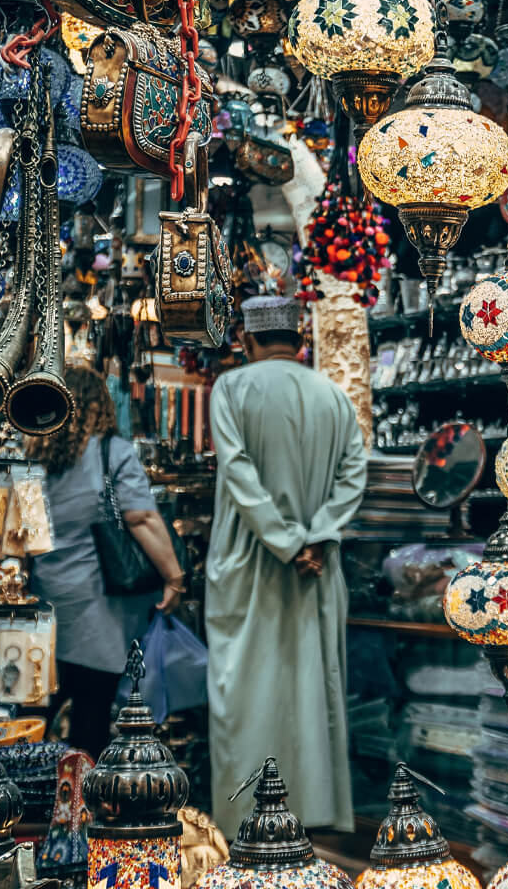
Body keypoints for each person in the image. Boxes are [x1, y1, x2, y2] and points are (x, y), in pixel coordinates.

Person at [206, 295, 368, 835]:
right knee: (309, 691)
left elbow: (237, 472)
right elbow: (354, 475)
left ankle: (246, 823)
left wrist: (287, 542)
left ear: (247, 340)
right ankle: (310, 817)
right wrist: (316, 538)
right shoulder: (333, 396)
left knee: (246, 695)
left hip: (251, 564)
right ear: (300, 340)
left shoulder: (231, 389)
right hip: (315, 569)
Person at [26, 365, 186, 758]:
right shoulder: (112, 452)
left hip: (43, 603)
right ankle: (80, 791)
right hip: (97, 611)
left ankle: (36, 785)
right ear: (100, 405)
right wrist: (174, 576)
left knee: (36, 717)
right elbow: (141, 517)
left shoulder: (33, 456)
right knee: (92, 718)